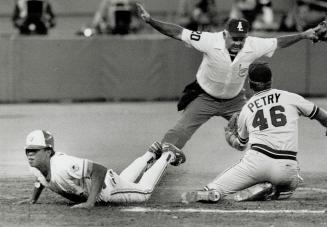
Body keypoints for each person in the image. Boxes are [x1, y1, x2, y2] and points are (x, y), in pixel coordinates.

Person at [136, 3, 324, 154]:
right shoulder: (209, 40)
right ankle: (157, 161)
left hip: (235, 101)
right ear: (225, 34)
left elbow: (278, 42)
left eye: (241, 39)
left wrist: (304, 35)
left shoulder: (253, 45)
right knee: (180, 131)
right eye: (234, 38)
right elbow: (177, 32)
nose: (237, 43)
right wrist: (151, 21)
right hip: (205, 97)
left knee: (261, 131)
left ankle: (273, 162)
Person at [181, 62, 327, 203]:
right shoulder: (290, 97)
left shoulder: (246, 109)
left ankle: (213, 192)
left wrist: (230, 137)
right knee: (291, 184)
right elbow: (321, 115)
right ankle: (273, 190)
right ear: (271, 80)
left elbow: (240, 145)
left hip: (256, 163)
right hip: (286, 166)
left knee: (214, 188)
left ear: (250, 83)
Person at [17, 130, 185, 208]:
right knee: (124, 181)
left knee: (144, 193)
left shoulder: (63, 165)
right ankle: (150, 154)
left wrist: (90, 203)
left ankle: (167, 155)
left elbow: (99, 170)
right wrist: (33, 199)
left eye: (34, 150)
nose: (30, 155)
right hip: (108, 182)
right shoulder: (36, 167)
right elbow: (39, 179)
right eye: (28, 151)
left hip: (106, 189)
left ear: (47, 152)